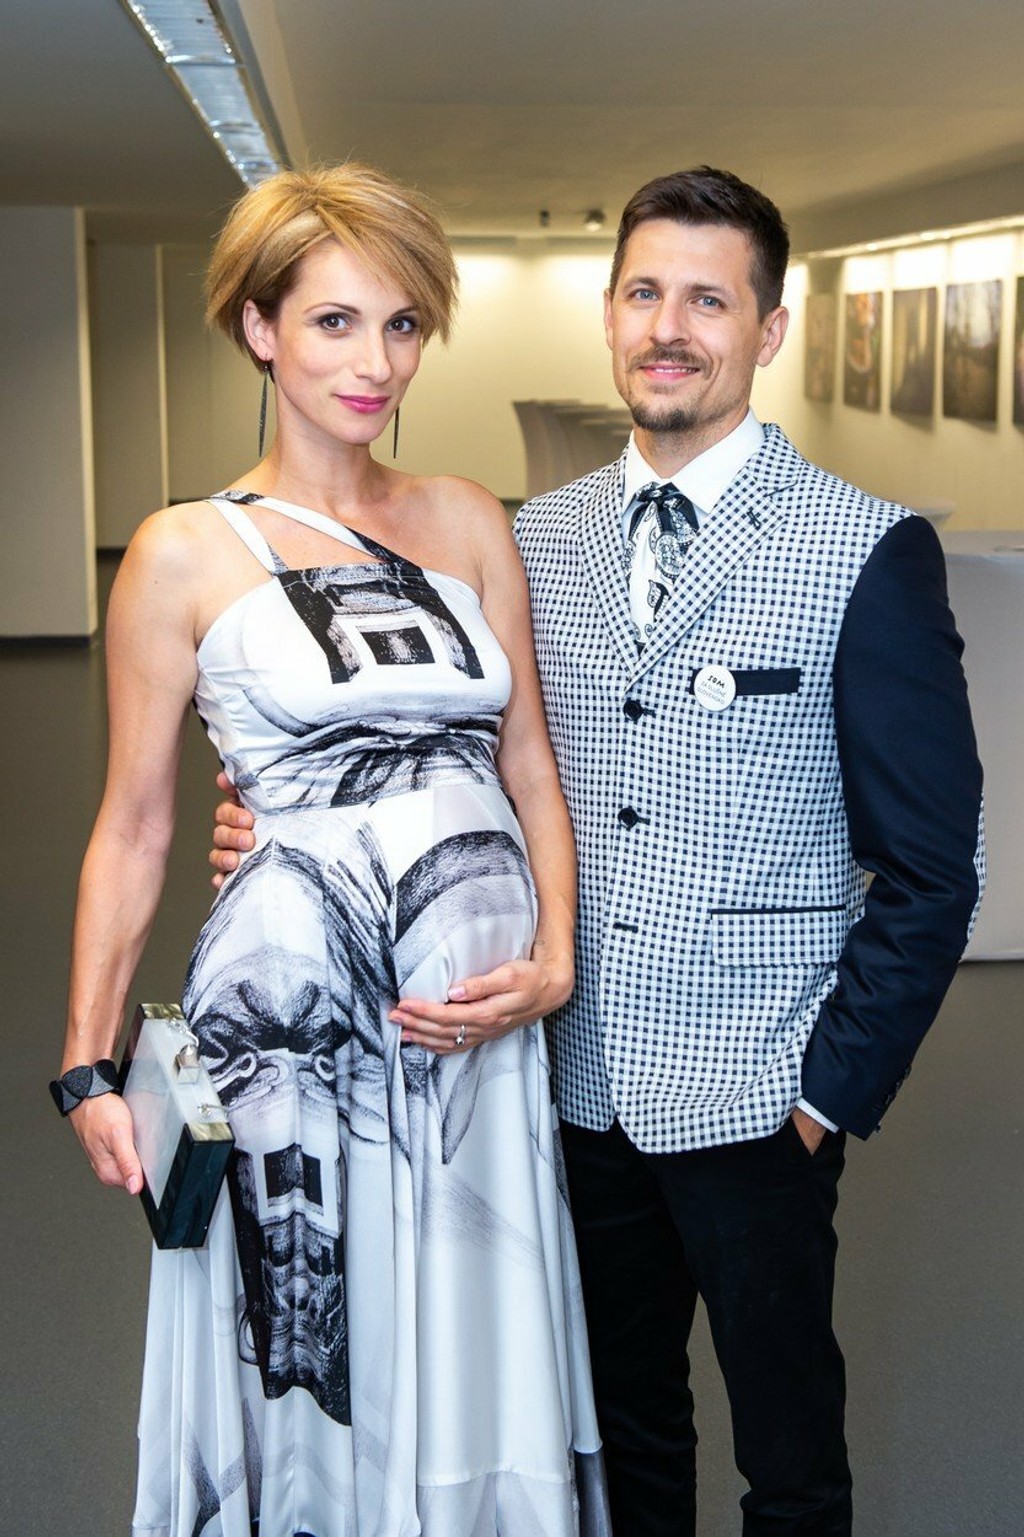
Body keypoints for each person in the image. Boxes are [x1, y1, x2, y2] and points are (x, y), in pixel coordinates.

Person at [211, 167, 986, 1537]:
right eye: (644, 294)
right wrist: (282, 831)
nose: (669, 328)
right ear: (610, 315)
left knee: (790, 1458)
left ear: (769, 330)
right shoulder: (530, 539)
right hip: (565, 1083)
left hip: (761, 1094)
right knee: (623, 1437)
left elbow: (933, 872)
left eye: (708, 301)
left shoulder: (866, 550)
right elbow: (457, 768)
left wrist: (827, 1097)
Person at [52, 164, 611, 1537]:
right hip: (293, 1024)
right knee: (309, 1345)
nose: (376, 363)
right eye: (336, 322)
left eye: (403, 325)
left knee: (466, 1322)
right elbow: (136, 823)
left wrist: (554, 954)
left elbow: (529, 766)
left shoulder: (469, 517)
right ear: (260, 328)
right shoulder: (183, 551)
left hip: (475, 1029)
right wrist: (85, 1062)